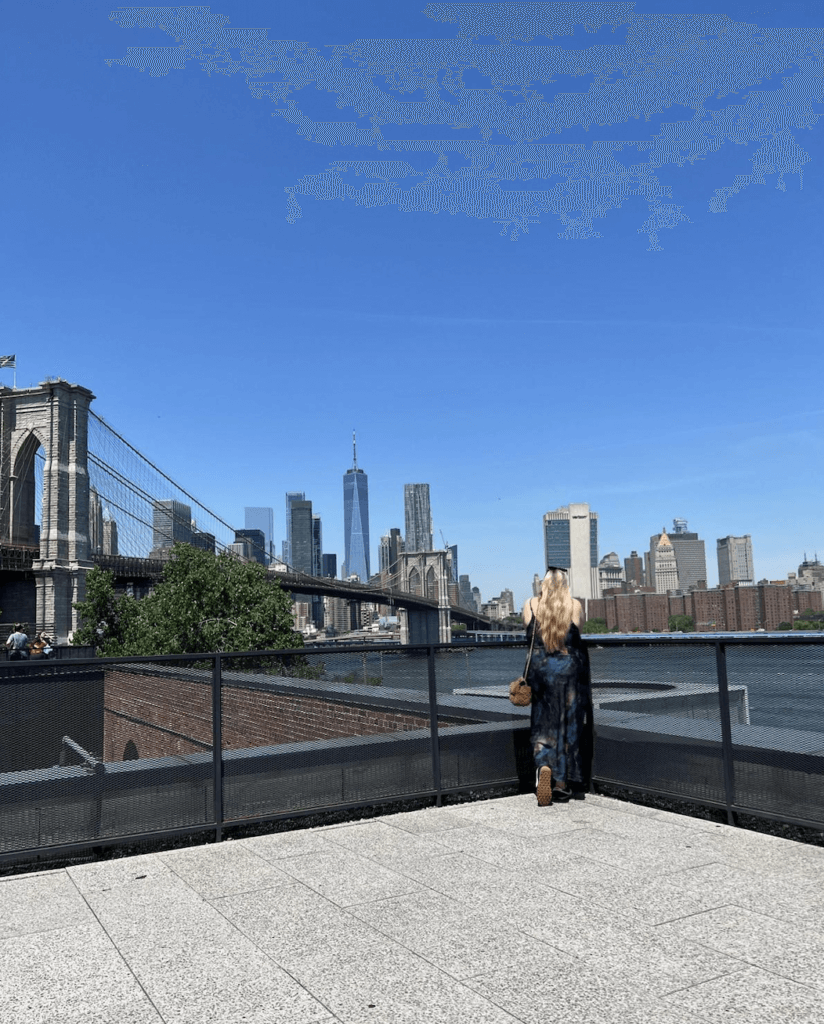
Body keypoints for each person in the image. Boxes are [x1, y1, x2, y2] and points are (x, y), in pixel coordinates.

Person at [522, 568, 593, 806]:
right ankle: (562, 784)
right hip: (568, 672)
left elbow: (527, 634)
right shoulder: (574, 606)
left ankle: (543, 765)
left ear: (543, 585)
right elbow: (578, 636)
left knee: (543, 723)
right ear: (565, 586)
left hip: (541, 673)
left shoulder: (531, 605)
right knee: (567, 725)